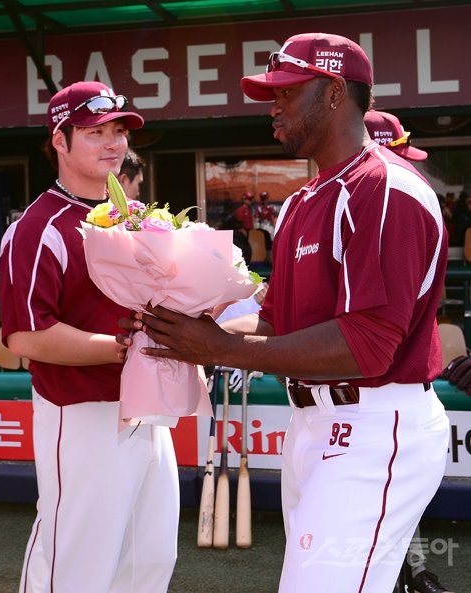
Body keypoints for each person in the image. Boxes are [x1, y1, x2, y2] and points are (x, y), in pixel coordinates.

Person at [119, 33, 450, 593]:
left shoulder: (385, 188)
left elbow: (368, 344)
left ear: (335, 93)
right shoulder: (303, 199)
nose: (272, 106)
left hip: (374, 422)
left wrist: (221, 349)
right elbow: (274, 321)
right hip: (314, 423)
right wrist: (184, 330)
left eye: (287, 92)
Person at [0, 81, 179, 593]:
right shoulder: (38, 226)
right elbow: (26, 338)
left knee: (149, 556)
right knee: (76, 559)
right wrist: (126, 348)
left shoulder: (136, 218)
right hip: (80, 411)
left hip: (147, 407)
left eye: (119, 131)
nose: (113, 143)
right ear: (60, 140)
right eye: (95, 131)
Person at [365, 109, 453, 593]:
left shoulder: (402, 203)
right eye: (396, 154)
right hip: (372, 405)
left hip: (401, 401)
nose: (407, 167)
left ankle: (414, 573)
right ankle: (411, 574)